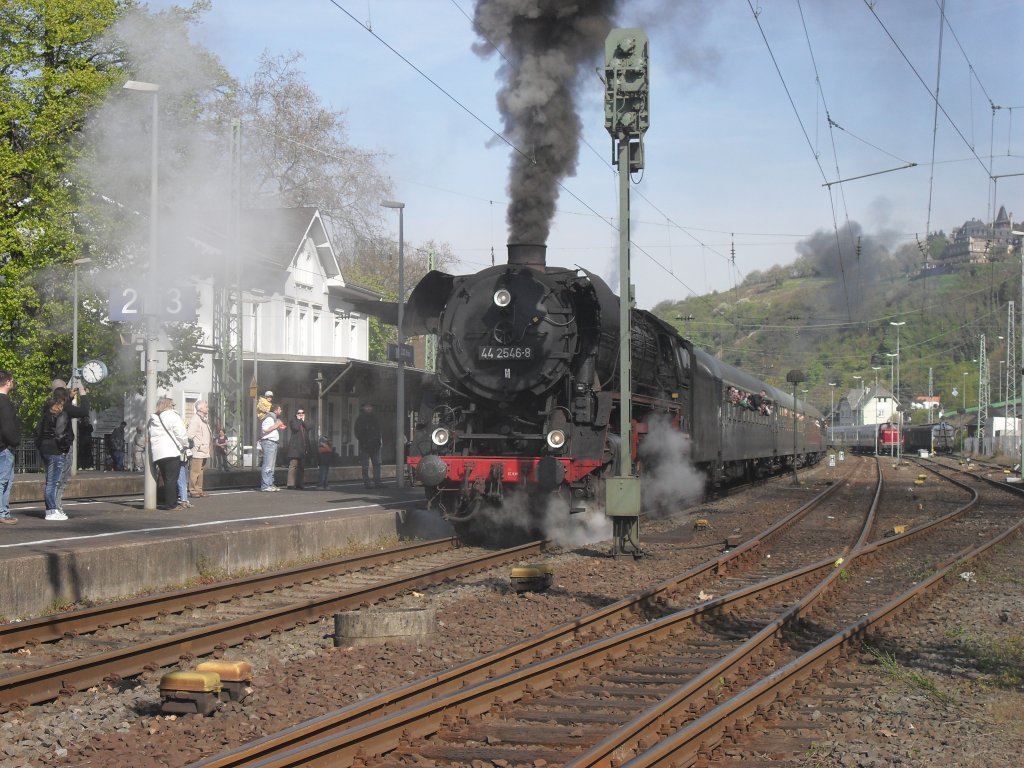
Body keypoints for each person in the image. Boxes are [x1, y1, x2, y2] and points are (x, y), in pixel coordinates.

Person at [35, 387, 75, 520]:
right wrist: (64, 448)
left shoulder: (45, 414)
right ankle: (51, 510)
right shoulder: (61, 415)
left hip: (44, 449)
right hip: (55, 450)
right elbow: (59, 434)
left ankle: (51, 510)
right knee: (54, 482)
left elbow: (37, 431)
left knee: (49, 481)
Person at [148, 396, 189, 510]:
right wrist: (185, 444)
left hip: (158, 453)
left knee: (166, 478)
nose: (173, 406)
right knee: (172, 479)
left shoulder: (153, 419)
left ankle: (165, 501)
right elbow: (181, 433)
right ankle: (171, 504)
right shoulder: (172, 416)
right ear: (169, 405)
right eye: (172, 404)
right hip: (171, 451)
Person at [0, 370, 21, 525]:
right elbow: (8, 427)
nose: (13, 382)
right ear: (7, 381)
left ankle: (4, 512)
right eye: (11, 380)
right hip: (5, 448)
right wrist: (14, 441)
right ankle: (3, 513)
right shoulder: (5, 402)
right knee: (4, 481)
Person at [187, 400, 212, 497]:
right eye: (206, 406)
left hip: (204, 450)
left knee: (200, 470)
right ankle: (193, 490)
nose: (207, 408)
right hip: (198, 450)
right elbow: (190, 434)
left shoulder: (203, 419)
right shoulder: (195, 419)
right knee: (195, 471)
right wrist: (198, 444)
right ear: (200, 408)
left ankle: (199, 489)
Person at [354, 402, 382, 488]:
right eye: (367, 407)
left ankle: (377, 482)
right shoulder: (360, 419)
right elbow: (357, 432)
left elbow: (379, 430)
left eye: (370, 407)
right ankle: (367, 483)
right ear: (364, 408)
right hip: (365, 446)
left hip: (375, 445)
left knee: (377, 464)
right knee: (365, 466)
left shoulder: (375, 418)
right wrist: (364, 441)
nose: (369, 408)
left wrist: (378, 441)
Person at [259, 403, 286, 492]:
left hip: (273, 443)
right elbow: (265, 429)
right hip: (268, 442)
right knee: (267, 464)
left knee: (271, 465)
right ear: (275, 410)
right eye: (280, 409)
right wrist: (276, 426)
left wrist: (278, 426)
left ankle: (270, 483)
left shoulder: (273, 418)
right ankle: (265, 485)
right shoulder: (269, 418)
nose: (281, 411)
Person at [286, 407, 311, 489]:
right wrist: (299, 420)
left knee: (301, 467)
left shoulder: (305, 422)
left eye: (302, 413)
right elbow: (295, 428)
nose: (301, 414)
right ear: (296, 414)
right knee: (293, 466)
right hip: (295, 448)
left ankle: (299, 483)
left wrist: (303, 421)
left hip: (303, 448)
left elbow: (309, 427)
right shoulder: (293, 421)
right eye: (299, 413)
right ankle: (290, 484)